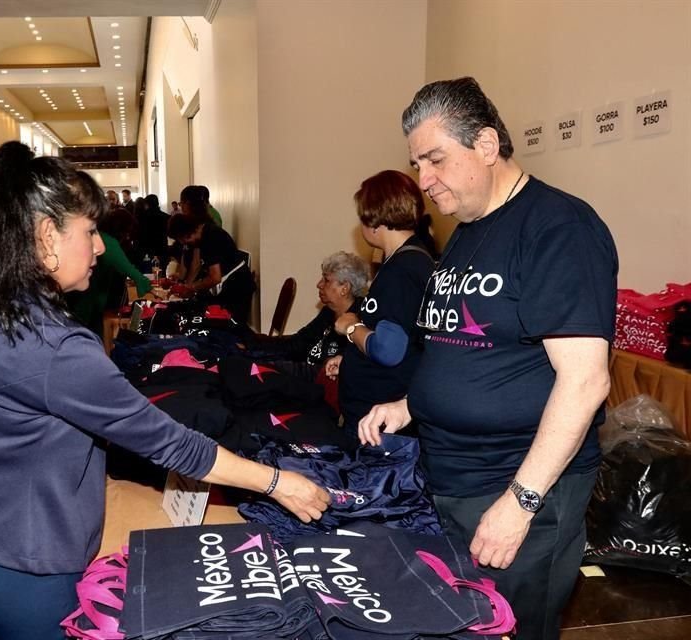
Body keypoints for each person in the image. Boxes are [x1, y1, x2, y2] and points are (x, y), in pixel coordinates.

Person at [0, 142, 329, 640]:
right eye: (90, 232)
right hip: (16, 568)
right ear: (47, 238)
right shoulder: (55, 346)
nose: (102, 247)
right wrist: (278, 482)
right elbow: (171, 442)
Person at [358, 77, 617, 640]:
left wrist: (519, 503)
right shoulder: (468, 231)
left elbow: (585, 381)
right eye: (417, 163)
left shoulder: (558, 227)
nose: (423, 182)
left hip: (517, 490)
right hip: (452, 479)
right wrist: (409, 404)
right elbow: (470, 345)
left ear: (486, 145)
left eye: (435, 160)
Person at [323, 170, 434, 440]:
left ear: (374, 220)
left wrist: (351, 327)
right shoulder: (411, 259)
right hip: (377, 408)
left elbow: (388, 349)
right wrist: (351, 357)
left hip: (378, 421)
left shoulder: (402, 270)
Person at [254, 251, 370, 371]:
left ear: (344, 288)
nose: (319, 284)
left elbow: (322, 372)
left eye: (326, 280)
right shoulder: (328, 312)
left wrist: (273, 367)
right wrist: (252, 349)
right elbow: (297, 344)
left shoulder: (357, 325)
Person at [66, 207, 152, 335]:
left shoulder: (100, 236)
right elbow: (128, 269)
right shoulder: (109, 242)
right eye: (127, 232)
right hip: (86, 297)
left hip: (85, 295)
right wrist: (146, 284)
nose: (128, 236)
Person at [167, 209, 256, 324]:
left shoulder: (210, 237)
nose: (184, 243)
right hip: (229, 284)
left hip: (236, 288)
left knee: (221, 326)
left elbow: (215, 277)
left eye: (183, 240)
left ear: (186, 233)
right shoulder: (206, 234)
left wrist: (191, 288)